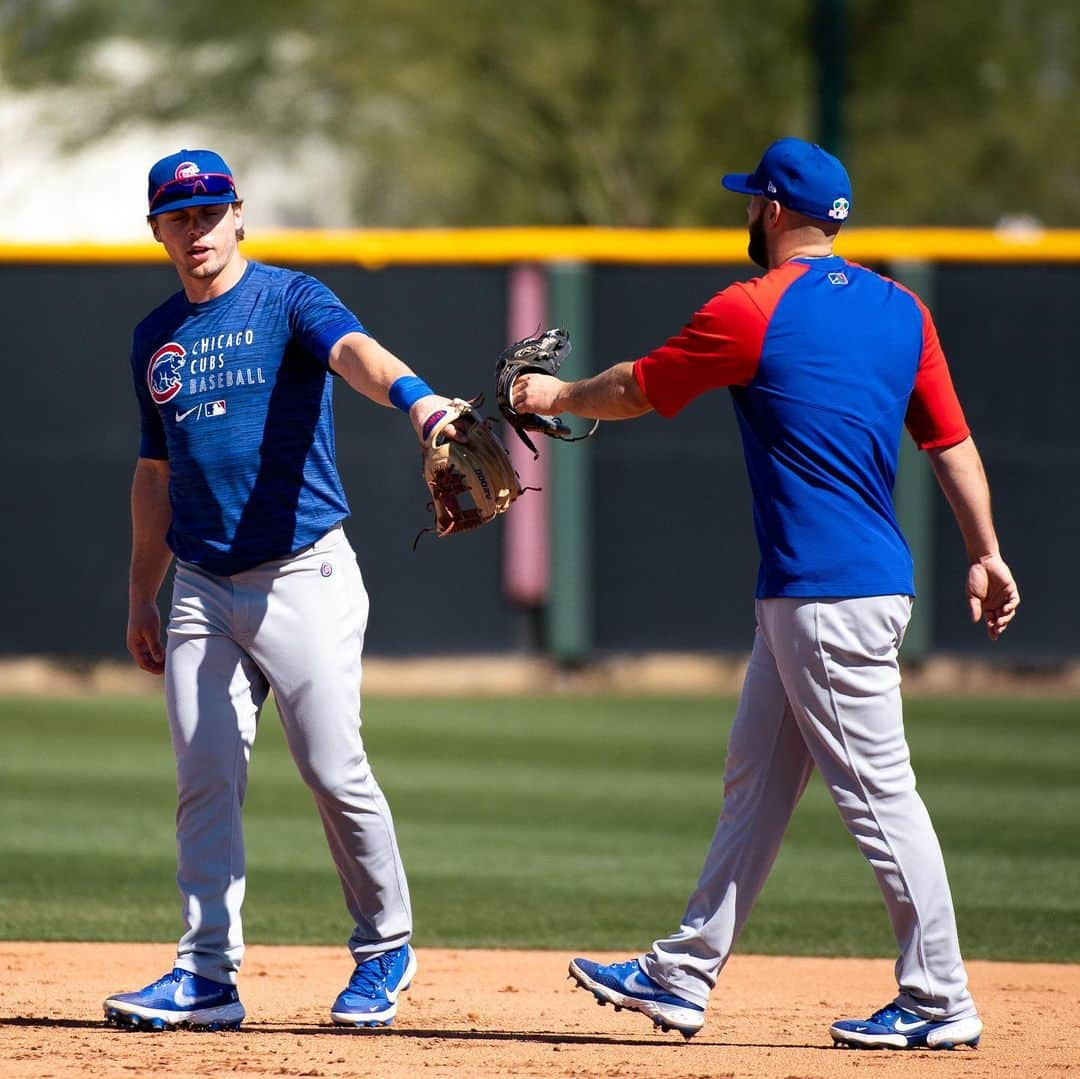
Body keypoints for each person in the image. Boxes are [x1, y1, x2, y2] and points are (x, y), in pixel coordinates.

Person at [513, 138, 1019, 1050]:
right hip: (842, 586)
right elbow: (951, 444)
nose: (746, 212)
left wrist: (551, 394)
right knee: (754, 783)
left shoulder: (754, 307)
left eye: (753, 200)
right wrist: (986, 552)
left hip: (826, 596)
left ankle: (940, 998)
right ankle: (682, 974)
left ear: (775, 210)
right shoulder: (903, 309)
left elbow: (634, 386)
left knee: (879, 796)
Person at [104, 148, 460, 1032]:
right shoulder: (156, 338)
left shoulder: (289, 298)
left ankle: (385, 945)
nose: (197, 230)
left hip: (304, 572)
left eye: (210, 211)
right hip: (200, 582)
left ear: (238, 216)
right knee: (204, 776)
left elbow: (356, 355)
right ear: (157, 230)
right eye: (178, 217)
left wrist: (418, 401)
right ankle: (206, 972)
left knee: (333, 768)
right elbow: (155, 475)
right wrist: (141, 593)